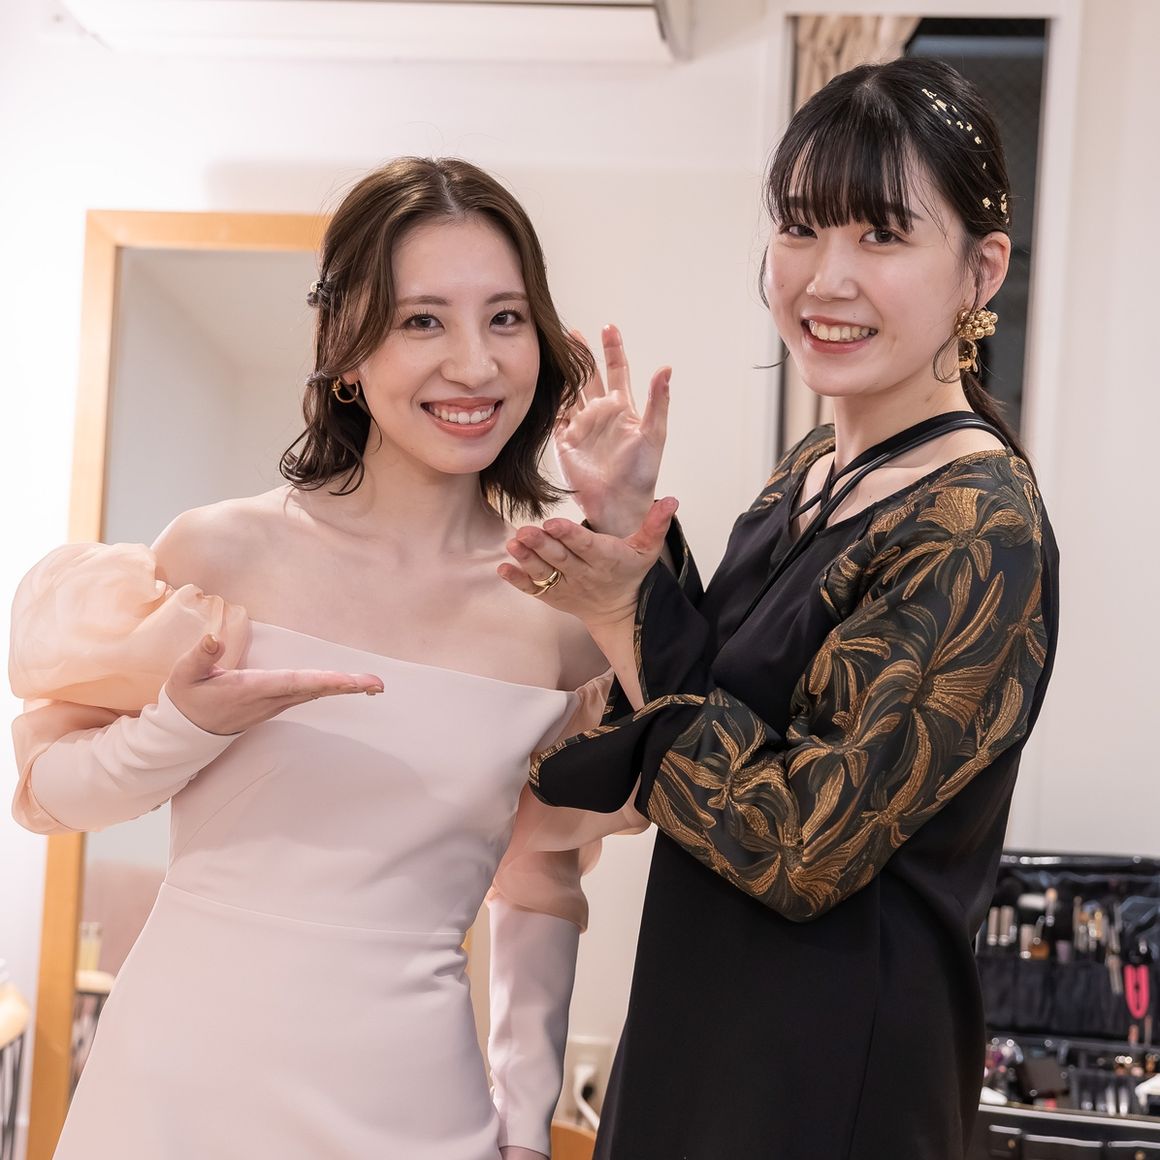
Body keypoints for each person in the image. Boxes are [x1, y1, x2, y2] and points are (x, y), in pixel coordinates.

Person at [9, 156, 644, 1160]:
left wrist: (526, 1124)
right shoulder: (223, 552)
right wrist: (183, 727)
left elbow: (540, 877)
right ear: (346, 347)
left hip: (414, 1113)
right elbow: (49, 793)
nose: (474, 364)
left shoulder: (560, 621)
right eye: (423, 319)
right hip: (173, 1094)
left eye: (505, 318)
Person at [499, 58, 1060, 1160]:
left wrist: (621, 610)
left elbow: (801, 840)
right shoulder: (818, 465)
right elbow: (719, 692)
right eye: (801, 228)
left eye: (882, 235)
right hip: (703, 1025)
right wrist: (629, 525)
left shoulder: (978, 525)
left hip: (830, 1081)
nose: (825, 278)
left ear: (979, 270)